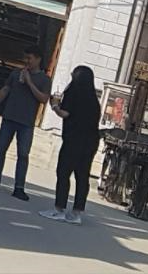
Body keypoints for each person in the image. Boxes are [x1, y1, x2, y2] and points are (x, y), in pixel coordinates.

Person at [0, 48, 52, 199]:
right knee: (1, 149)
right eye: (25, 58)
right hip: (9, 117)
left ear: (38, 59)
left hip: (26, 122)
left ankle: (19, 187)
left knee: (23, 154)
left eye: (30, 58)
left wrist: (29, 82)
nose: (27, 61)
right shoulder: (16, 73)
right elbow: (5, 89)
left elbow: (43, 99)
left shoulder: (44, 79)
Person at [40, 65, 103, 224]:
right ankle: (77, 213)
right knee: (82, 176)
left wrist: (55, 105)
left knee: (63, 172)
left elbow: (65, 113)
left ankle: (59, 208)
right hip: (90, 141)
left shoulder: (73, 92)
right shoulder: (93, 99)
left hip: (74, 139)